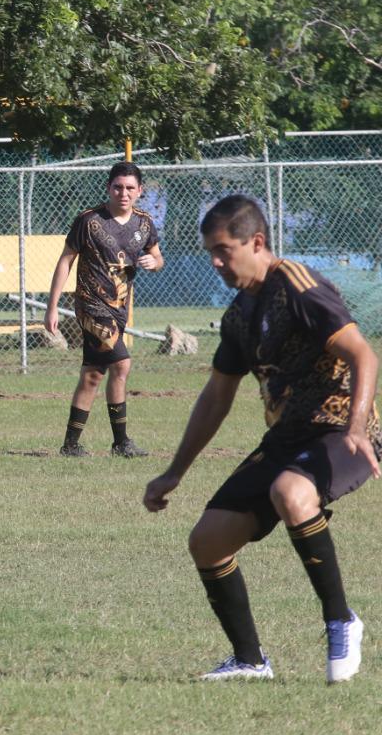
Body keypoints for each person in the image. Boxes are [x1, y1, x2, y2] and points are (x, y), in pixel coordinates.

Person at [142, 195, 374, 682]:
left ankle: (341, 620)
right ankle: (250, 661)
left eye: (224, 250)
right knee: (207, 542)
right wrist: (174, 472)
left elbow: (363, 354)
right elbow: (216, 398)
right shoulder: (239, 315)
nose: (216, 261)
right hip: (286, 439)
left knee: (291, 492)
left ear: (257, 242)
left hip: (340, 432)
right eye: (211, 251)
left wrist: (357, 425)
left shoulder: (298, 287)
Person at [45, 161, 165, 457]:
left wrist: (154, 263)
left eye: (129, 188)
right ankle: (121, 442)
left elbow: (157, 256)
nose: (123, 193)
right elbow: (65, 260)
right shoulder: (88, 221)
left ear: (140, 191)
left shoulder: (145, 223)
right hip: (90, 305)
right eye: (117, 187)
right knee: (122, 364)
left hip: (119, 308)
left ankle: (71, 445)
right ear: (108, 187)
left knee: (93, 374)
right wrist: (52, 307)